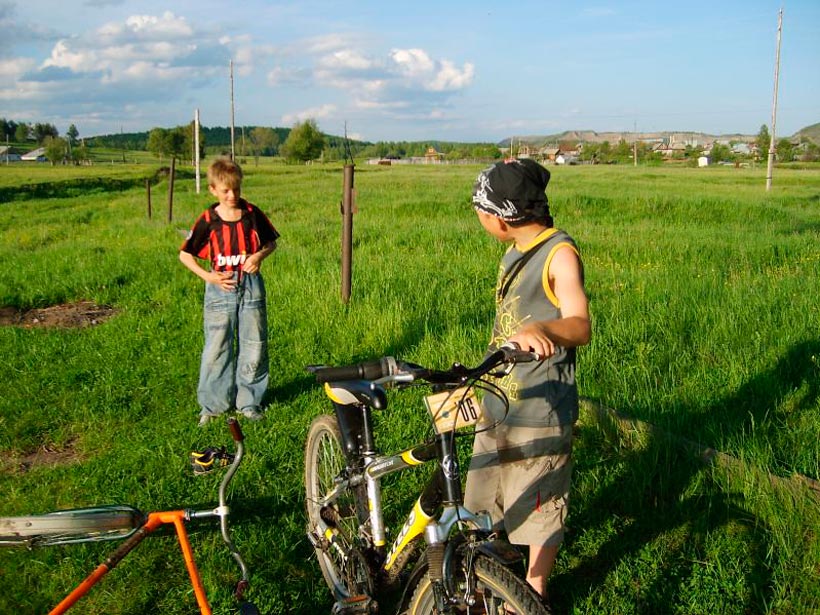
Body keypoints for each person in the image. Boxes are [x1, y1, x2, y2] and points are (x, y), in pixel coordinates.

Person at [463, 158, 591, 603]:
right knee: (485, 493)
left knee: (539, 503)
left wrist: (547, 330)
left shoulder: (560, 254)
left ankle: (533, 593)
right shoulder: (515, 250)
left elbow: (580, 324)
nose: (480, 219)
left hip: (540, 408)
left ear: (502, 217)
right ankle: (489, 576)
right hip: (500, 398)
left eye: (481, 212)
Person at [179, 158, 280, 426]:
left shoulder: (251, 213)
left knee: (254, 343)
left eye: (236, 189)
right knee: (216, 347)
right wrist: (209, 276)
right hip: (219, 289)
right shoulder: (208, 220)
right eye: (226, 191)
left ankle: (249, 402)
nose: (232, 195)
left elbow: (271, 243)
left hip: (250, 287)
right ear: (213, 189)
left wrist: (258, 256)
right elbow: (185, 255)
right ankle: (213, 406)